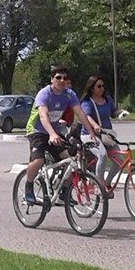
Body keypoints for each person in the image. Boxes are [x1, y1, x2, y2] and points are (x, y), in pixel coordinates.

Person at [23, 65, 96, 205]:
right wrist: (51, 134)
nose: (62, 80)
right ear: (52, 79)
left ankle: (64, 192)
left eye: (64, 78)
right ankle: (29, 186)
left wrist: (90, 131)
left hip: (55, 131)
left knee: (71, 160)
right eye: (58, 77)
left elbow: (80, 113)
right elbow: (43, 116)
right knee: (38, 160)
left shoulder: (69, 94)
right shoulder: (44, 94)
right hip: (37, 130)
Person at [80, 75, 121, 192]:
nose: (102, 88)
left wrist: (120, 113)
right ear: (92, 88)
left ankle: (106, 184)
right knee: (102, 155)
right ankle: (99, 185)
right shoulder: (87, 102)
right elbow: (87, 117)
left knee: (120, 161)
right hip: (89, 135)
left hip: (106, 135)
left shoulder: (107, 99)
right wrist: (95, 126)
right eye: (99, 86)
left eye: (103, 86)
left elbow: (113, 113)